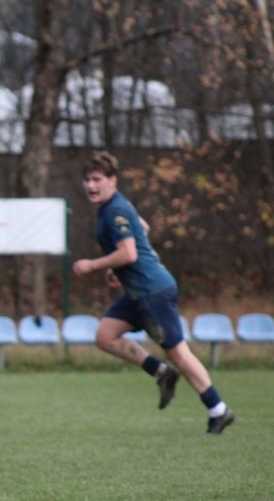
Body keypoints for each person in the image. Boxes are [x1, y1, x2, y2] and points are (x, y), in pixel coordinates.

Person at [72, 151, 235, 434]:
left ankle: (218, 409)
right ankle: (161, 372)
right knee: (105, 336)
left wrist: (94, 265)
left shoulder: (115, 210)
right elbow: (142, 228)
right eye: (87, 180)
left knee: (178, 353)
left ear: (113, 180)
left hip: (153, 291)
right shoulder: (114, 207)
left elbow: (129, 253)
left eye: (97, 179)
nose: (90, 185)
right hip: (138, 292)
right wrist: (116, 267)